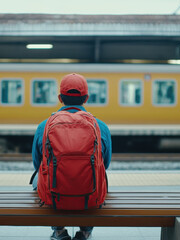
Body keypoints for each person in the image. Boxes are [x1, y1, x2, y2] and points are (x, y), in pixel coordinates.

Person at [32, 73, 112, 240]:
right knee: (98, 175)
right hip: (89, 194)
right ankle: (85, 232)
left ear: (60, 98)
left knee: (38, 176)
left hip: (55, 195)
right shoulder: (100, 126)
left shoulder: (44, 125)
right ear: (86, 98)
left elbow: (37, 162)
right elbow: (106, 162)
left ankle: (59, 231)